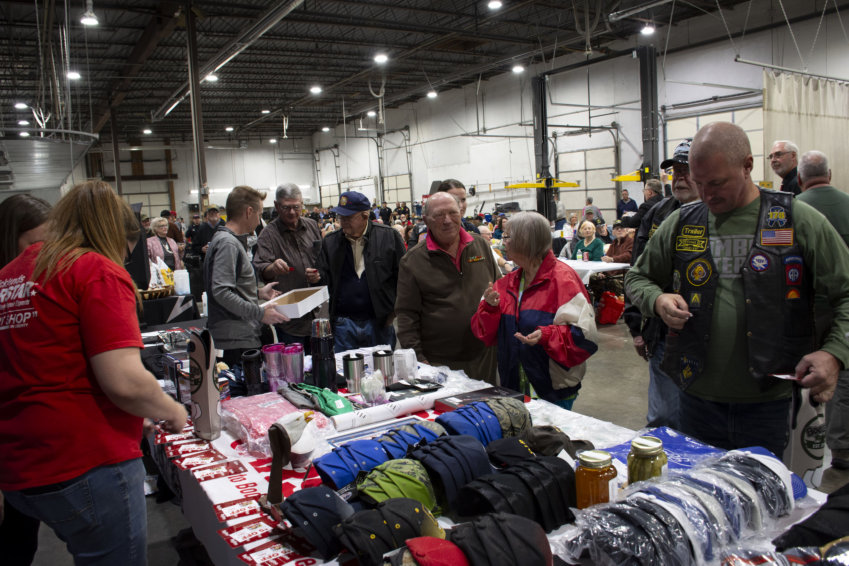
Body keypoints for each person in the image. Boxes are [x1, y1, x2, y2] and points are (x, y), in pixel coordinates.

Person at [625, 122, 849, 458]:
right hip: (695, 400)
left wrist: (834, 354)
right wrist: (657, 300)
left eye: (716, 183)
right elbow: (637, 278)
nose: (707, 194)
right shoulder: (683, 221)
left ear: (747, 165)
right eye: (699, 184)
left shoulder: (797, 220)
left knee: (767, 501)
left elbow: (845, 293)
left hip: (770, 403)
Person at [0, 181, 187, 566]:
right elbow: (124, 380)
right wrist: (172, 410)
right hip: (85, 460)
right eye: (126, 249)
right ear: (113, 235)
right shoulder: (94, 269)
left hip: (19, 466)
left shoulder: (9, 277)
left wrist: (136, 413)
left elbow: (51, 362)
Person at [471, 211, 598, 410]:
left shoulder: (564, 281)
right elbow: (483, 335)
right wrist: (489, 308)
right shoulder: (507, 283)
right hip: (512, 387)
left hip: (553, 388)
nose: (503, 242)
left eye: (507, 236)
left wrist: (547, 335)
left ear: (525, 241)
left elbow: (585, 339)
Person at [624, 138, 700, 430]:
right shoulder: (658, 213)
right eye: (675, 171)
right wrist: (636, 328)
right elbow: (637, 270)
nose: (679, 177)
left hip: (707, 337)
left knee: (702, 422)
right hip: (663, 334)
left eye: (687, 170)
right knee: (662, 418)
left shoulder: (721, 214)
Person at [396, 192, 500, 384]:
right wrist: (420, 360)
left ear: (461, 213)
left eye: (453, 213)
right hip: (440, 363)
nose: (447, 220)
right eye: (439, 215)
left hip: (484, 357)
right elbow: (406, 316)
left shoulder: (480, 246)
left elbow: (499, 288)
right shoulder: (413, 261)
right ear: (426, 220)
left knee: (486, 411)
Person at [0, 194, 50, 566]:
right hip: (13, 447)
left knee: (22, 541)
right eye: (34, 244)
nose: (40, 254)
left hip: (28, 449)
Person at [796, 150, 849, 470]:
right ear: (829, 175)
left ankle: (817, 446)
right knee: (842, 373)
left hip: (810, 311)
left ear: (800, 180)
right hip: (844, 307)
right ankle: (842, 446)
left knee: (808, 377)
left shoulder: (796, 211)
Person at [204, 186, 288, 366]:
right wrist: (260, 313)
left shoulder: (224, 240)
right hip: (235, 341)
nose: (259, 221)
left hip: (236, 337)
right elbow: (221, 292)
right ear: (249, 212)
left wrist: (257, 293)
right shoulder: (228, 244)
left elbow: (229, 286)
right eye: (259, 214)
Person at [314, 191, 405, 352]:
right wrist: (316, 277)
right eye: (340, 217)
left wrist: (393, 313)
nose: (342, 222)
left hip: (380, 323)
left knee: (382, 374)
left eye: (348, 218)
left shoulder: (388, 237)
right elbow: (323, 277)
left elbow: (404, 279)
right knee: (345, 374)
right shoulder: (330, 242)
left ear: (365, 216)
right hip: (343, 324)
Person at [253, 183, 322, 352]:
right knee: (295, 368)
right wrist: (272, 267)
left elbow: (322, 258)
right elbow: (260, 268)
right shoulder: (268, 234)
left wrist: (319, 273)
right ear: (277, 206)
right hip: (290, 320)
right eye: (286, 207)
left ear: (302, 205)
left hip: (318, 313)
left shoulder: (312, 226)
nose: (292, 212)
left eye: (296, 207)